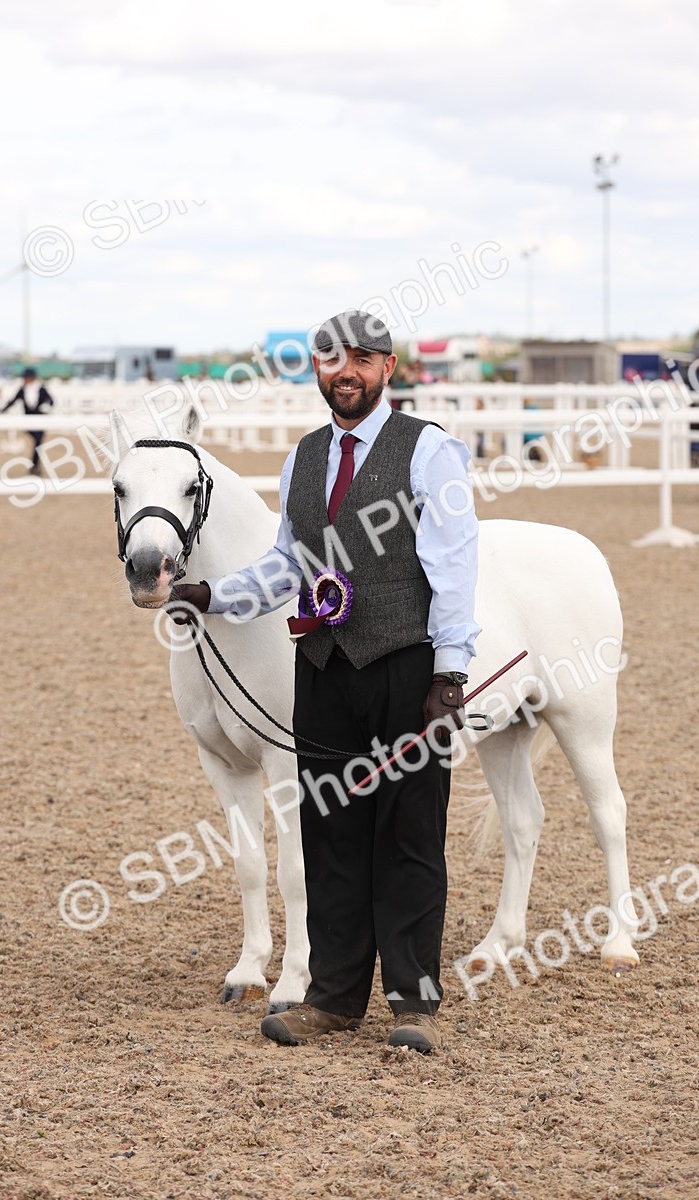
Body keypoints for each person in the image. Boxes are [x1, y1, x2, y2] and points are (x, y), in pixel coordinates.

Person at [171, 310, 480, 1054]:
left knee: (408, 836)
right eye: (330, 359)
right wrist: (217, 595)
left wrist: (450, 674)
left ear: (387, 367)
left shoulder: (428, 451)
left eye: (361, 360)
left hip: (406, 666)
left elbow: (455, 564)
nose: (344, 371)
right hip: (324, 669)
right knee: (331, 835)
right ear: (317, 368)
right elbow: (287, 563)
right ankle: (335, 998)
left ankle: (414, 1002)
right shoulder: (304, 457)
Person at [0, 367, 54, 474]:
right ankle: (34, 466)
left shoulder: (41, 389)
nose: (24, 380)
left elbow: (51, 401)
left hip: (40, 420)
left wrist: (45, 407)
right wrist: (1, 411)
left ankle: (34, 466)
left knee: (38, 442)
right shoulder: (22, 390)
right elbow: (13, 401)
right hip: (28, 421)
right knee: (37, 441)